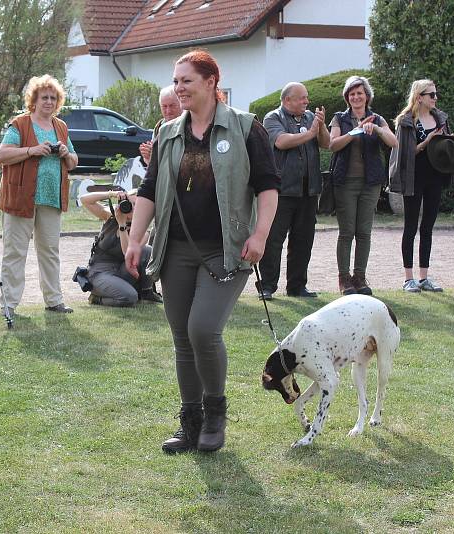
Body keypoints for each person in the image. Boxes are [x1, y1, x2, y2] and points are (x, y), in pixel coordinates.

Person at [125, 49, 279, 453]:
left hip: (226, 251)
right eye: (175, 81)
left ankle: (215, 416)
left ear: (212, 83)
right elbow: (149, 190)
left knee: (203, 329)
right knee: (181, 335)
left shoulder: (247, 128)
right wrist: (136, 238)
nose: (178, 89)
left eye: (186, 81)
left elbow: (267, 186)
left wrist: (260, 235)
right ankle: (190, 423)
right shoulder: (169, 133)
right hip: (176, 248)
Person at [0, 74, 78, 317]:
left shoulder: (60, 127)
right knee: (15, 252)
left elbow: (74, 162)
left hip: (51, 199)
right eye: (44, 97)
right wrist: (33, 150)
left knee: (50, 251)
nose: (49, 102)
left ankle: (54, 301)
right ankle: (8, 304)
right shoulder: (20, 124)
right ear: (34, 99)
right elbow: (2, 155)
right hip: (21, 198)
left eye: (53, 98)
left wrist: (64, 153)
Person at [255, 82, 329, 300]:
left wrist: (321, 126)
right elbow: (281, 141)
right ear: (287, 100)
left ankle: (297, 286)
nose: (306, 102)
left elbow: (326, 143)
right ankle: (267, 286)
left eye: (307, 98)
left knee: (303, 240)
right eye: (301, 98)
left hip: (309, 189)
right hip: (282, 190)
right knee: (274, 239)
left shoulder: (309, 119)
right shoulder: (272, 118)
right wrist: (312, 132)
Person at [329, 75, 398, 295]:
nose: (356, 97)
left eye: (360, 93)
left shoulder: (377, 119)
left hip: (371, 183)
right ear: (347, 98)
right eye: (352, 94)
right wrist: (355, 132)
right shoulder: (340, 118)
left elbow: (394, 141)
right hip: (345, 182)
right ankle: (344, 278)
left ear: (367, 96)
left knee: (364, 232)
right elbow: (333, 144)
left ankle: (360, 277)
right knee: (347, 231)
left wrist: (376, 130)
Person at [390, 79, 454, 293]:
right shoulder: (406, 120)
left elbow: (446, 147)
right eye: (431, 95)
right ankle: (408, 278)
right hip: (414, 177)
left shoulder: (440, 118)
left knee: (428, 227)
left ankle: (424, 277)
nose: (435, 98)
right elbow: (404, 152)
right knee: (410, 227)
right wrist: (428, 140)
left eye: (436, 94)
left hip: (436, 177)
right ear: (419, 96)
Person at [79, 189, 161, 306]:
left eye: (136, 206)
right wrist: (111, 194)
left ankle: (146, 291)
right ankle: (97, 299)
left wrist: (122, 226)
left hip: (123, 272)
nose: (131, 208)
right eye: (129, 203)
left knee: (147, 250)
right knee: (130, 297)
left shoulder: (143, 232)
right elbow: (85, 200)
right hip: (99, 273)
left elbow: (127, 253)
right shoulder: (110, 216)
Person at [139, 85, 182, 164]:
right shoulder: (159, 127)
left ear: (181, 104)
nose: (168, 111)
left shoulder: (190, 125)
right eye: (164, 106)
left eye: (172, 106)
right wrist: (149, 157)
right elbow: (154, 166)